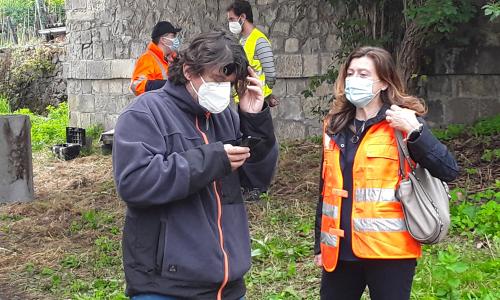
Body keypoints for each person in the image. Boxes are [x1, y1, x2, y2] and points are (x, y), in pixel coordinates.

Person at [113, 30, 278, 300]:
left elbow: (256, 181)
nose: (223, 89)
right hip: (166, 286)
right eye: (217, 79)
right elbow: (135, 183)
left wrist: (254, 119)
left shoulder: (224, 116)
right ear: (189, 71)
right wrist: (213, 160)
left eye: (230, 83)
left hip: (227, 284)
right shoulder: (145, 113)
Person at [313, 46, 459, 300]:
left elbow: (448, 169)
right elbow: (326, 188)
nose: (354, 80)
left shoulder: (401, 123)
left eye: (363, 74)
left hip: (390, 253)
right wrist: (320, 244)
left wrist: (416, 133)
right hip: (340, 252)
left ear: (383, 82)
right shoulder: (334, 125)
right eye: (350, 73)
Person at [227, 0, 279, 107]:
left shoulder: (260, 41)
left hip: (256, 102)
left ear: (242, 17)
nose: (230, 23)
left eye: (232, 19)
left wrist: (266, 96)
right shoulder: (242, 41)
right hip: (245, 100)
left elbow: (271, 75)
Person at [130, 21, 182, 96]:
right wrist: (170, 84)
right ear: (163, 40)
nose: (176, 39)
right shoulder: (147, 59)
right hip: (155, 106)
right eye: (173, 36)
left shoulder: (169, 59)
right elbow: (138, 86)